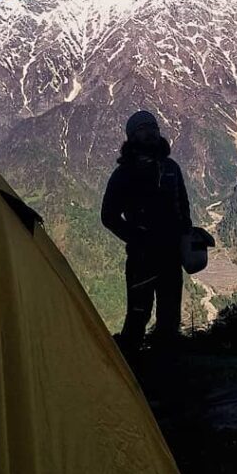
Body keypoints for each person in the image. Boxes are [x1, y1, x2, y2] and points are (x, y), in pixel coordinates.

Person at [101, 110, 193, 365]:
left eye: (153, 127)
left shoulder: (172, 168)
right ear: (131, 136)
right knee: (138, 315)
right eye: (142, 128)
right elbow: (108, 215)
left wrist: (188, 235)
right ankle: (131, 373)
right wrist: (136, 237)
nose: (150, 132)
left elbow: (183, 206)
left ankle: (165, 373)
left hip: (171, 257)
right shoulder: (125, 173)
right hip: (142, 258)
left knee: (169, 317)